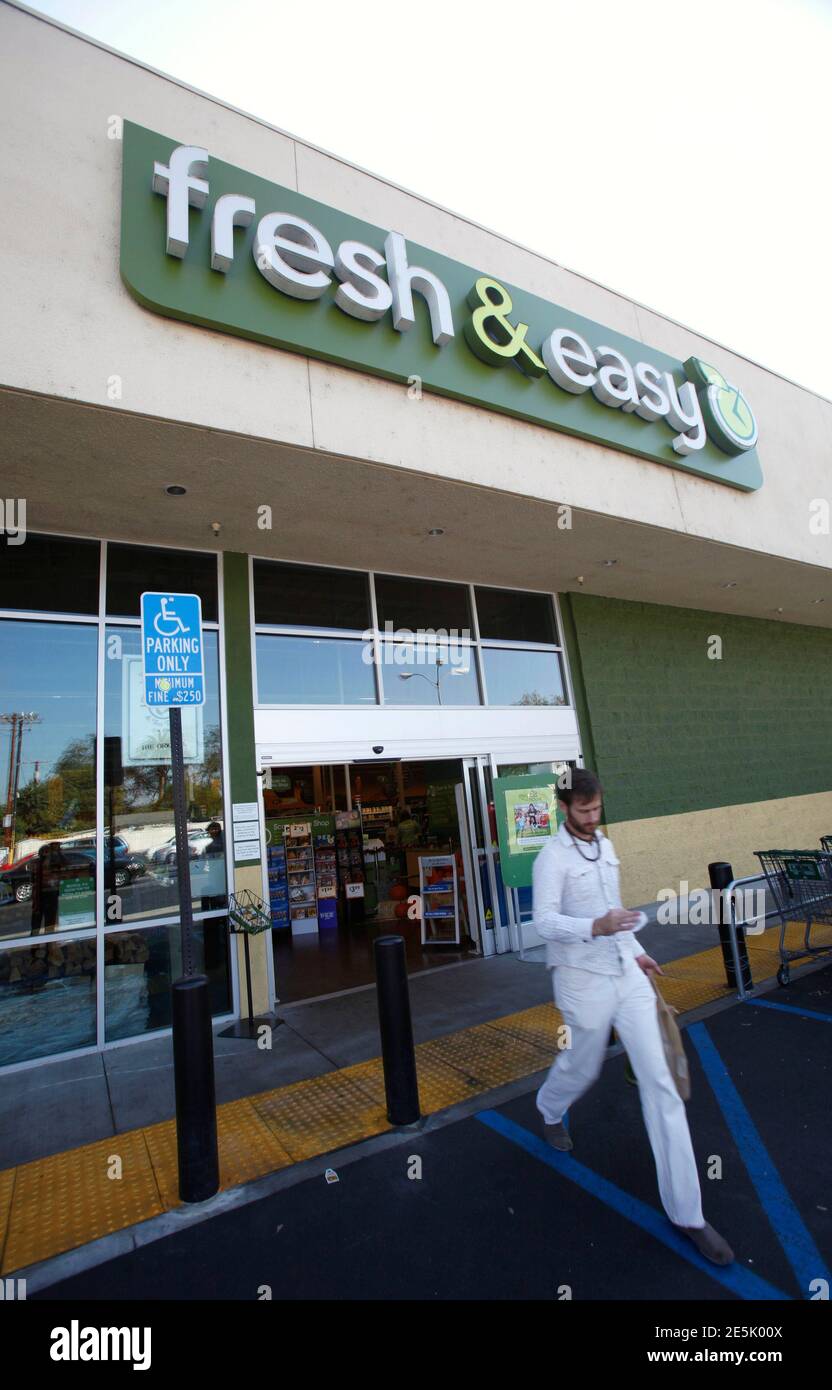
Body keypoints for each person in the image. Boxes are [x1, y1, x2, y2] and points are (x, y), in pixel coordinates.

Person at [533, 768, 734, 1266]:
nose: (592, 818)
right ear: (564, 809)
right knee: (584, 1065)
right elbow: (542, 921)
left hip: (624, 971)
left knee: (662, 1082)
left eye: (597, 809)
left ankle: (689, 1214)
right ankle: (550, 1108)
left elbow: (615, 910)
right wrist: (593, 927)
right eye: (583, 811)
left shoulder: (606, 846)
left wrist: (636, 948)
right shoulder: (551, 858)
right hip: (580, 977)